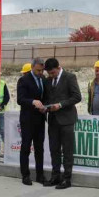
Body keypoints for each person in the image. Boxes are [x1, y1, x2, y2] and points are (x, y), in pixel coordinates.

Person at [42, 58, 81, 189]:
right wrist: (45, 107)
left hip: (67, 120)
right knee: (54, 150)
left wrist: (60, 105)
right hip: (53, 120)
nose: (51, 75)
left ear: (59, 67)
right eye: (49, 73)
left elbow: (77, 97)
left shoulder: (70, 77)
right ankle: (55, 176)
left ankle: (67, 178)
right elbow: (47, 98)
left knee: (68, 150)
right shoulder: (47, 81)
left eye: (53, 72)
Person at [16, 58, 47, 186]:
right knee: (26, 147)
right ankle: (25, 175)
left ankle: (40, 175)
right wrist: (33, 102)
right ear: (32, 67)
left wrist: (45, 107)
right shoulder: (24, 80)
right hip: (28, 119)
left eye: (42, 70)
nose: (40, 72)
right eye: (38, 70)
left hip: (40, 119)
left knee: (40, 148)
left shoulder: (43, 80)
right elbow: (20, 99)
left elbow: (45, 97)